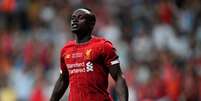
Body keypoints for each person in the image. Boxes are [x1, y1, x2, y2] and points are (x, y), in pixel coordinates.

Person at [50, 8, 128, 101]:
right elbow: (63, 79)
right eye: (73, 18)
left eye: (80, 17)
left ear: (91, 24)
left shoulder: (103, 46)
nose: (74, 20)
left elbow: (118, 77)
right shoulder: (66, 50)